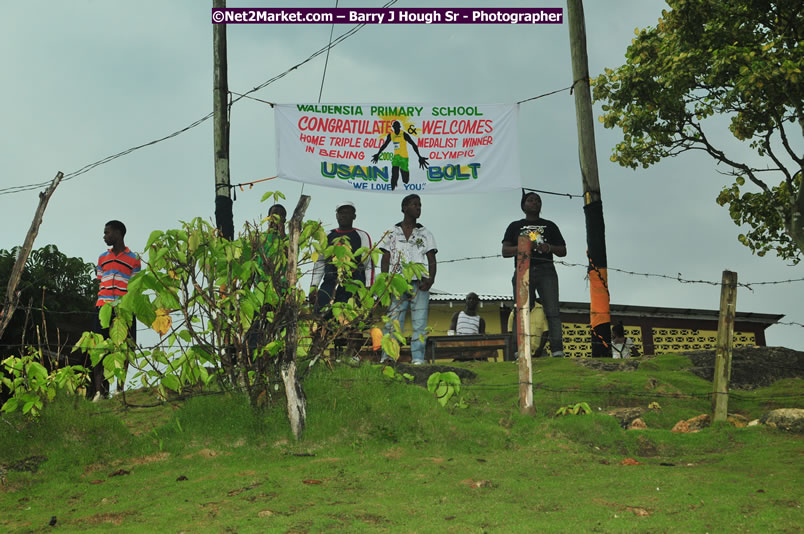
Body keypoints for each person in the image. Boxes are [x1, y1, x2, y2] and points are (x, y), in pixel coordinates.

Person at [502, 192, 567, 357]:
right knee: (522, 310)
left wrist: (549, 247)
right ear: (523, 205)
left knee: (552, 311)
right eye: (530, 200)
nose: (535, 203)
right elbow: (505, 251)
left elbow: (563, 251)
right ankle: (520, 350)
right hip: (523, 270)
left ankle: (557, 350)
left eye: (538, 200)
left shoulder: (549, 225)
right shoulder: (514, 226)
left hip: (546, 270)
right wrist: (523, 247)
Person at [379, 194, 437, 365]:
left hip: (419, 283)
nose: (418, 208)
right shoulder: (391, 232)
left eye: (420, 205)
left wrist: (431, 279)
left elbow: (431, 257)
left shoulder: (425, 233)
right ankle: (389, 356)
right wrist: (386, 281)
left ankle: (418, 358)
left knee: (419, 322)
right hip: (396, 282)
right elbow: (385, 258)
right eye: (414, 205)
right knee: (393, 321)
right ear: (404, 208)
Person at [92, 220, 141, 401]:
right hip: (103, 307)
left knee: (124, 347)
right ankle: (100, 392)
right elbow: (100, 280)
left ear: (118, 233)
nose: (105, 236)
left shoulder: (134, 259)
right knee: (99, 346)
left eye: (107, 233)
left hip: (124, 309)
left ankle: (119, 389)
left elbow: (134, 286)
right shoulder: (102, 258)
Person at [310, 201, 374, 314]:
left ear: (354, 216)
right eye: (341, 213)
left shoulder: (362, 236)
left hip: (354, 282)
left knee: (351, 317)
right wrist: (314, 286)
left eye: (348, 213)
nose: (344, 215)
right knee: (320, 314)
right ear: (336, 216)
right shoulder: (327, 235)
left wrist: (368, 287)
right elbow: (319, 263)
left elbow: (368, 264)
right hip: (330, 281)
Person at [371, 120, 429, 191]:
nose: (396, 128)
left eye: (397, 127)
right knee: (394, 174)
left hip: (404, 157)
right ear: (393, 128)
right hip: (396, 157)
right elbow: (385, 145)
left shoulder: (404, 134)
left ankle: (404, 174)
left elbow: (413, 144)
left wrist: (419, 156)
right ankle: (392, 189)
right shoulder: (391, 135)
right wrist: (378, 153)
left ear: (399, 127)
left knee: (405, 180)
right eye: (394, 127)